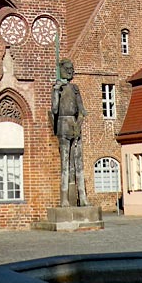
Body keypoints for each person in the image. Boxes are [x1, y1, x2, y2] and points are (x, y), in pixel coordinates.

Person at [51, 59, 89, 207]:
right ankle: (64, 198)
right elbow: (54, 110)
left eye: (72, 68)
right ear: (61, 69)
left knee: (79, 163)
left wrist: (78, 123)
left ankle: (83, 197)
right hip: (63, 124)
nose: (70, 70)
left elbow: (82, 110)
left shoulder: (75, 88)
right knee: (65, 163)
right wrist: (56, 92)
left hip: (74, 125)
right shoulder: (57, 88)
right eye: (67, 68)